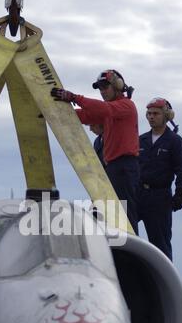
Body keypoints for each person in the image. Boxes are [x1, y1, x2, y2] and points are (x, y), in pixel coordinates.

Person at [51, 70, 140, 234]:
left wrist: (74, 98)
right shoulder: (111, 111)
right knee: (109, 214)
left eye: (105, 87)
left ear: (117, 86)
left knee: (125, 216)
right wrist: (52, 112)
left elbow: (102, 110)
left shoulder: (126, 106)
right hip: (114, 168)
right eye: (100, 88)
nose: (102, 91)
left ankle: (132, 254)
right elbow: (85, 115)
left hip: (124, 168)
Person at [138, 97, 182, 261]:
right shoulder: (141, 140)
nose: (152, 117)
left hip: (160, 198)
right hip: (138, 194)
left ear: (167, 116)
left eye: (156, 113)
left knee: (160, 246)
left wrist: (179, 194)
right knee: (123, 233)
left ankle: (163, 283)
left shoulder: (175, 142)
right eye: (149, 114)